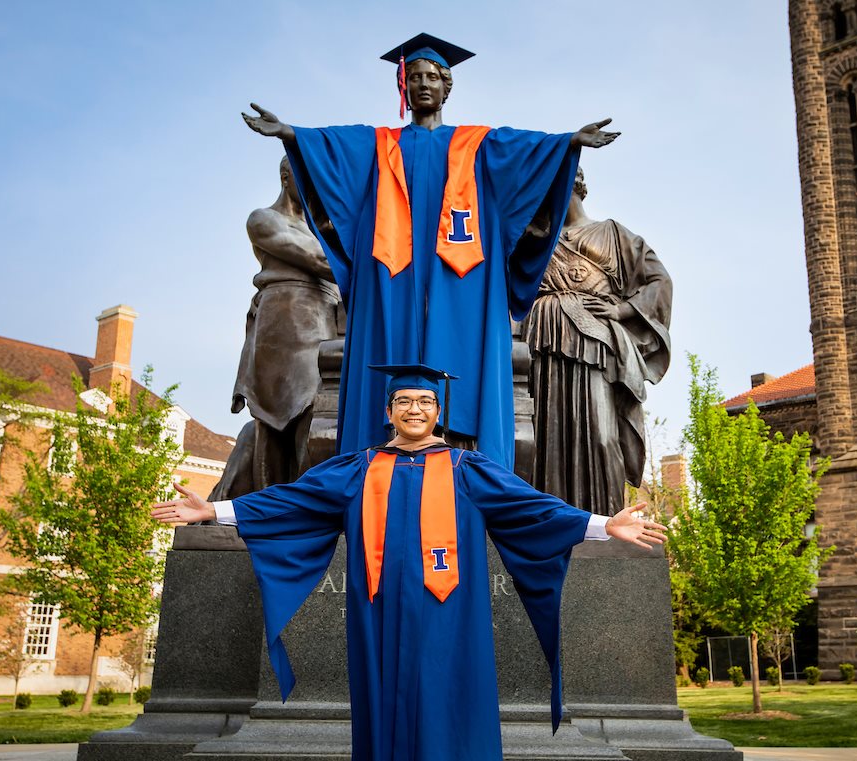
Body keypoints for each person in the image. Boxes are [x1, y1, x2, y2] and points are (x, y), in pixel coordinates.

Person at [152, 365, 667, 761]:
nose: (415, 408)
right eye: (404, 400)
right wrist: (213, 510)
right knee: (383, 709)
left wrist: (604, 524)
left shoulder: (470, 469)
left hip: (452, 618)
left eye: (425, 400)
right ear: (388, 410)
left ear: (438, 411)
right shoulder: (358, 468)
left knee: (450, 706)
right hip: (378, 616)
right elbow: (289, 501)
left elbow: (535, 507)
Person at [241, 33, 620, 469]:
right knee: (387, 349)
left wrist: (568, 142)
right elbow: (335, 151)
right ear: (404, 87)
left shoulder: (477, 145)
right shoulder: (379, 146)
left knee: (464, 359)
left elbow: (524, 153)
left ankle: (464, 460)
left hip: (463, 276)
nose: (423, 84)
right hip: (393, 274)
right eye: (415, 77)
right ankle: (377, 458)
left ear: (447, 87)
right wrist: (291, 134)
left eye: (432, 78)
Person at [524, 168, 672, 516]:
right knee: (546, 437)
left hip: (596, 341)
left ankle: (604, 523)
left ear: (574, 186)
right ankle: (550, 522)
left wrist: (622, 311)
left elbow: (659, 281)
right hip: (543, 340)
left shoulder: (614, 234)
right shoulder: (533, 244)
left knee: (602, 435)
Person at [211, 157, 339, 499]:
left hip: (327, 323)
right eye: (309, 180)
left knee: (322, 415)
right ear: (286, 177)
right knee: (279, 415)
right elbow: (321, 261)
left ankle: (305, 506)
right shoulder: (264, 219)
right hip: (286, 321)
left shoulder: (321, 230)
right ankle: (269, 508)